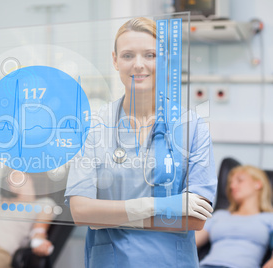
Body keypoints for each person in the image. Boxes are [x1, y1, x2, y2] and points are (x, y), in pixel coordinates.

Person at [65, 17, 217, 267]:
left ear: (165, 60)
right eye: (127, 55)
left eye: (150, 55)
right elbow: (81, 211)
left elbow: (195, 219)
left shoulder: (192, 127)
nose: (138, 65)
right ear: (115, 60)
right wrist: (162, 205)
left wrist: (106, 215)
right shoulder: (94, 125)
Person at [196, 165, 273, 268]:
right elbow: (190, 243)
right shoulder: (219, 215)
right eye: (230, 183)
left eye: (240, 181)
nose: (232, 186)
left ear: (258, 184)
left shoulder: (269, 218)